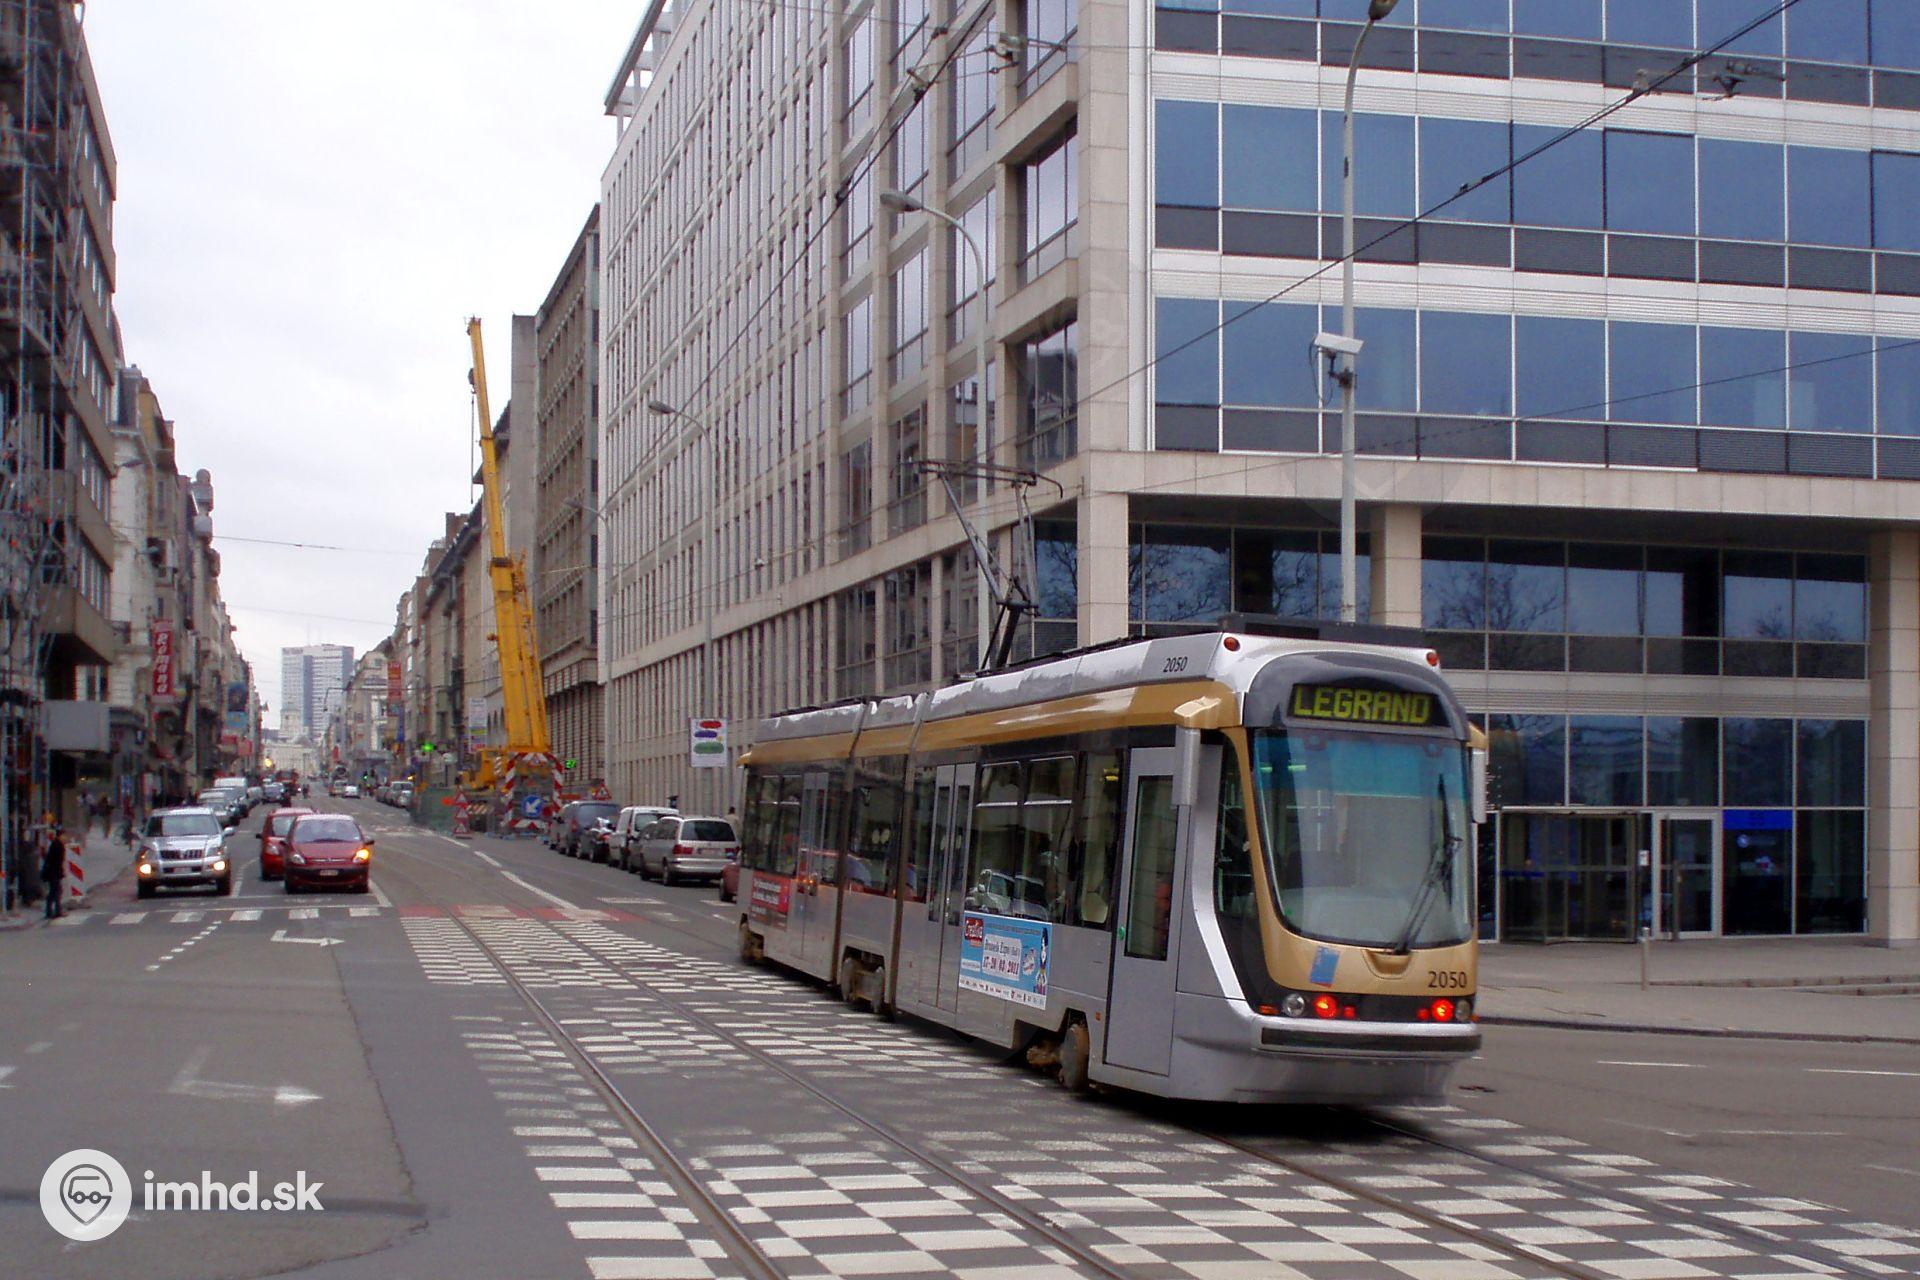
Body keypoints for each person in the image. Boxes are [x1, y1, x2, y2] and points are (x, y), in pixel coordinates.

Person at [41, 827, 67, 919]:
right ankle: (52, 912)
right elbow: (55, 861)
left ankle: (54, 911)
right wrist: (60, 872)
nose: (65, 838)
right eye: (64, 836)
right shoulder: (57, 845)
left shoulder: (56, 844)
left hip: (53, 872)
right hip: (53, 873)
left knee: (56, 891)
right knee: (55, 892)